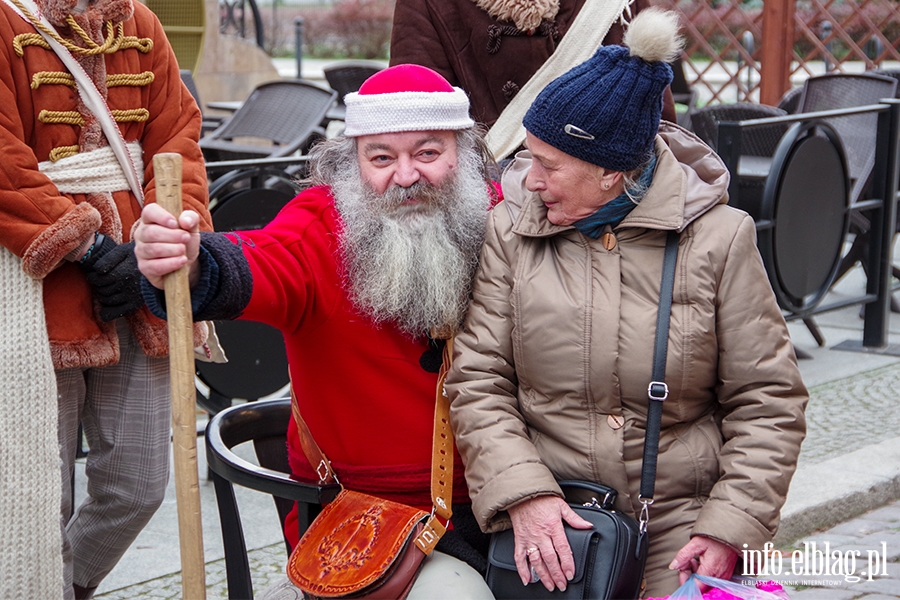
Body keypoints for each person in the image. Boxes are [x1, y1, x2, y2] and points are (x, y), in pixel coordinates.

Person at [445, 8, 809, 598]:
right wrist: (525, 494)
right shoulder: (508, 231)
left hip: (682, 529)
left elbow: (768, 400)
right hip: (559, 527)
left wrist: (728, 526)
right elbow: (478, 380)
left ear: (611, 172)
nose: (529, 180)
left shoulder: (720, 238)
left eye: (548, 163)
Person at [135, 64, 497, 599]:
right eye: (381, 157)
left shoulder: (501, 217)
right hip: (364, 518)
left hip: (504, 502)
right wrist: (190, 265)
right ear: (353, 163)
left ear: (462, 153)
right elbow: (257, 265)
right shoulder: (320, 226)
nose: (405, 176)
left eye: (427, 153)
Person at [0, 0, 212, 597]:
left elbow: (178, 137)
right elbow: (4, 161)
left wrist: (167, 233)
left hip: (140, 278)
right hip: (35, 285)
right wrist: (87, 248)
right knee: (39, 492)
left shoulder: (139, 20)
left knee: (139, 484)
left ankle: (60, 586)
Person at [389, 0, 677, 128]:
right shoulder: (426, 4)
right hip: (488, 206)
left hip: (599, 204)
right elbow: (419, 124)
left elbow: (653, 117)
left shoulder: (614, 3)